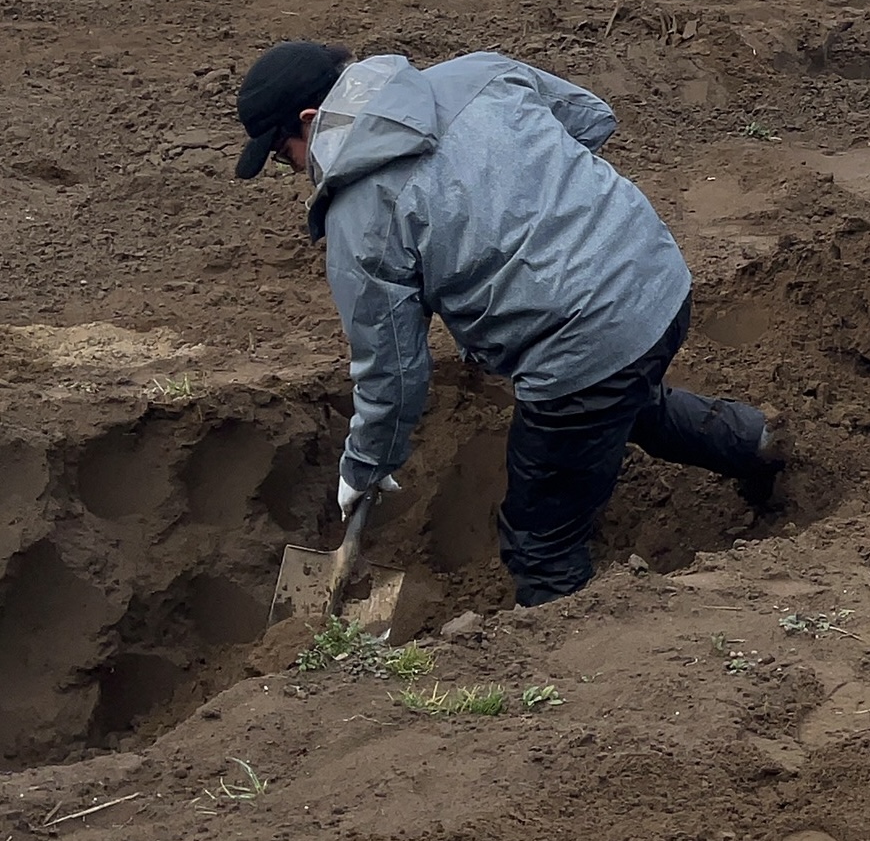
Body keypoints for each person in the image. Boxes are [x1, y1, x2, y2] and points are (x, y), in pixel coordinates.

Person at [233, 39, 781, 606]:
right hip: (658, 277)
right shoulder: (478, 75)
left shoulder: (358, 217)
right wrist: (532, 198)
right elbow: (591, 117)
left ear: (311, 120)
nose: (296, 170)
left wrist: (366, 463)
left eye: (283, 155)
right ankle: (756, 444)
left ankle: (569, 657)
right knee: (620, 401)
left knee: (540, 542)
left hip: (581, 344)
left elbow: (392, 372)